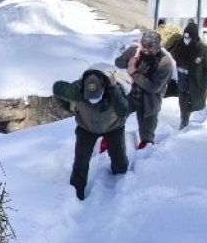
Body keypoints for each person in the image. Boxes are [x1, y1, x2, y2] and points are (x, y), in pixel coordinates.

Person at [52, 63, 132, 200]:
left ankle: (120, 183)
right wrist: (70, 107)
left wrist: (114, 89)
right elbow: (57, 87)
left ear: (103, 89)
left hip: (113, 127)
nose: (94, 102)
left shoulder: (115, 89)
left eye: (97, 99)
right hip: (86, 128)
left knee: (119, 158)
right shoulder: (76, 90)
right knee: (80, 162)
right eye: (90, 99)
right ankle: (76, 194)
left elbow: (124, 110)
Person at [115, 30, 174, 149]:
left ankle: (144, 161)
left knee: (147, 138)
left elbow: (154, 88)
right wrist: (128, 62)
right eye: (144, 48)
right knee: (115, 118)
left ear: (158, 47)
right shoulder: (135, 51)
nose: (145, 52)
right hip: (132, 96)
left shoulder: (165, 63)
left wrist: (134, 73)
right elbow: (118, 62)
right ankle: (109, 146)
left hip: (149, 102)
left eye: (149, 49)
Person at [166, 21, 207, 129]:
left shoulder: (203, 51)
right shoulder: (179, 46)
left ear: (194, 37)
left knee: (190, 108)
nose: (186, 41)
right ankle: (183, 126)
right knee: (183, 109)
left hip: (194, 86)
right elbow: (166, 52)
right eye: (184, 38)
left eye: (188, 38)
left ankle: (187, 129)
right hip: (181, 84)